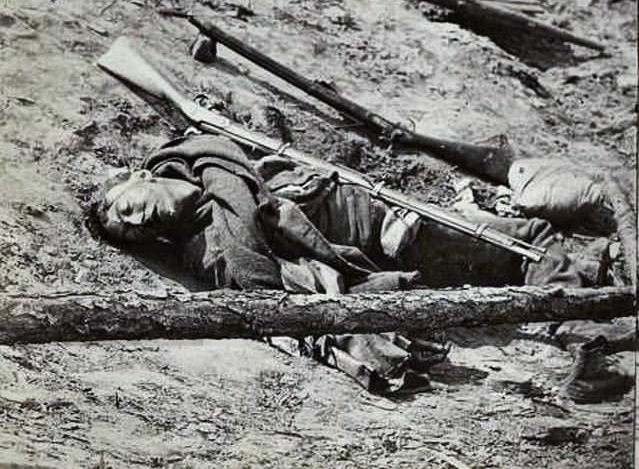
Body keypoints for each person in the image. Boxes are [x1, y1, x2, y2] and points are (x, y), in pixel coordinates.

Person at [93, 132, 635, 400]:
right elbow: (253, 280)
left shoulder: (204, 153)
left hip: (376, 203)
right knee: (530, 246)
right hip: (392, 240)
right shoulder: (207, 245)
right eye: (131, 231)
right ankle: (588, 339)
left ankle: (594, 279)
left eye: (125, 207)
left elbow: (233, 168)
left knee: (528, 242)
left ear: (138, 175)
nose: (137, 220)